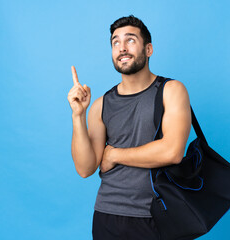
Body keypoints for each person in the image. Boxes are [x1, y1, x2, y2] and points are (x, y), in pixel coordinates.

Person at [67, 15, 191, 239]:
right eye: (115, 42)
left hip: (155, 215)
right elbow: (85, 168)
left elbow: (172, 152)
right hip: (107, 215)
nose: (122, 48)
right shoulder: (100, 105)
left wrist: (114, 154)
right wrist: (79, 115)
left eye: (130, 40)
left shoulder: (171, 90)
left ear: (149, 49)